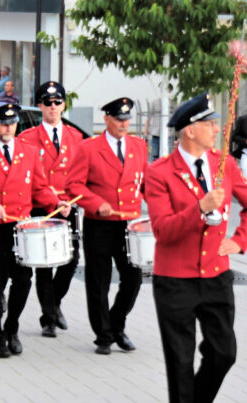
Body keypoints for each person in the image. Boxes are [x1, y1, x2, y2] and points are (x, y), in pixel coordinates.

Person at [145, 93, 247, 403]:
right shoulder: (159, 173)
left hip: (216, 277)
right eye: (210, 124)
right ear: (190, 130)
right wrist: (199, 207)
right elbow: (162, 230)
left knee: (224, 353)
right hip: (175, 281)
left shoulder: (224, 165)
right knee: (180, 364)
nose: (216, 130)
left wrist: (239, 241)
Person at [0, 102, 69, 358]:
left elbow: (39, 188)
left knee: (22, 281)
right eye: (3, 123)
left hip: (20, 229)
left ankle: (12, 327)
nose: (8, 127)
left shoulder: (28, 152)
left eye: (12, 123)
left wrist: (55, 202)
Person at [67, 97, 147, 355]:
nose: (124, 124)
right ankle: (103, 335)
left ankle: (117, 324)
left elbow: (146, 183)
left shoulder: (139, 146)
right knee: (98, 281)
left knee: (133, 278)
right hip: (99, 224)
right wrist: (95, 202)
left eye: (126, 119)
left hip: (128, 223)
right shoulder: (89, 148)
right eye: (119, 120)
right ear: (107, 120)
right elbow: (74, 185)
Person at [19, 81, 82, 338]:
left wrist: (70, 199)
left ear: (64, 105)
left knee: (71, 260)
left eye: (57, 103)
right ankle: (49, 319)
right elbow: (24, 175)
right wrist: (49, 196)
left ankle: (53, 305)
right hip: (40, 206)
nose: (53, 107)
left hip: (68, 206)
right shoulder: (28, 138)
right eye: (48, 103)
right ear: (39, 106)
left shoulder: (75, 137)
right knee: (44, 264)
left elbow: (80, 174)